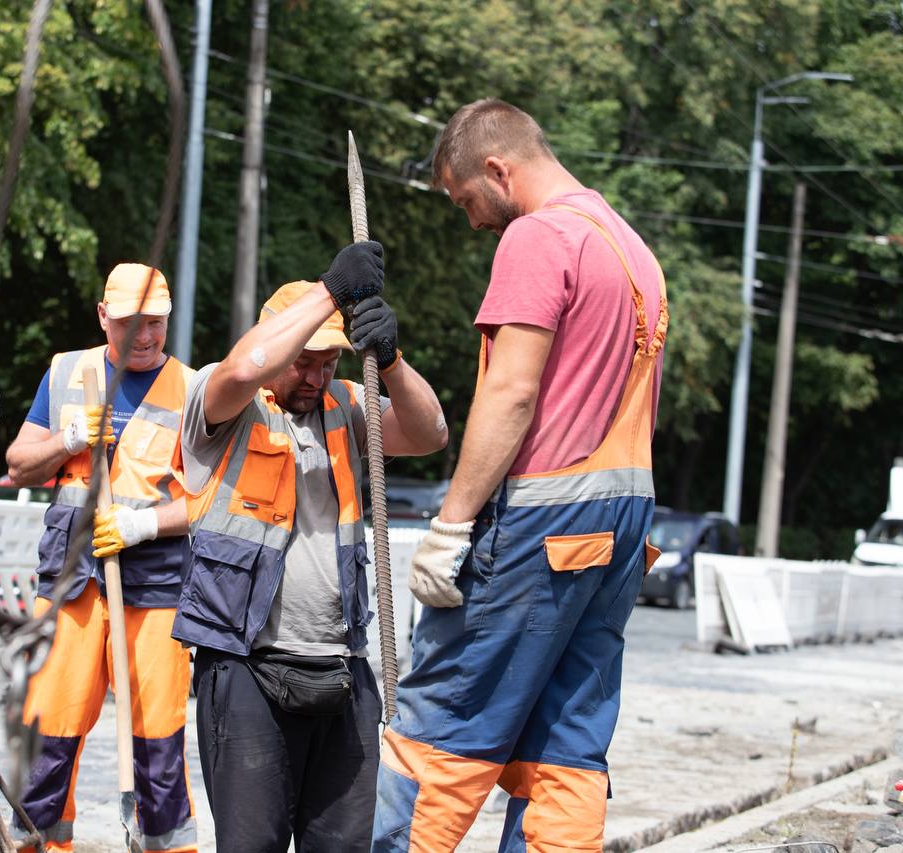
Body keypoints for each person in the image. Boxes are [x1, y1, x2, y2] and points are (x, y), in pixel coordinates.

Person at [371, 98, 669, 852]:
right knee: (565, 744)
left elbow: (512, 390)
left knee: (443, 723)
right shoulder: (630, 246)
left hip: (539, 520)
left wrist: (451, 525)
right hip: (622, 524)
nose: (471, 220)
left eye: (467, 198)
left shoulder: (541, 236)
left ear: (499, 168)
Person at [175, 242, 449, 853]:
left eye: (329, 361)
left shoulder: (348, 408)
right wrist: (331, 290)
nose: (317, 375)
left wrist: (393, 360)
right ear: (277, 342)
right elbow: (244, 371)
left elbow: (432, 432)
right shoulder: (220, 409)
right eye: (305, 360)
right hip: (247, 667)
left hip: (343, 668)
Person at [6, 263, 197, 853]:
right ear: (103, 318)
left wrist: (142, 524)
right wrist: (66, 440)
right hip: (72, 581)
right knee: (49, 729)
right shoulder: (67, 373)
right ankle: (37, 845)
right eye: (131, 324)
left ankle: (164, 847)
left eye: (157, 324)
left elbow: (214, 503)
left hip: (157, 585)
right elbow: (16, 464)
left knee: (157, 737)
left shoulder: (193, 390)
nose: (145, 337)